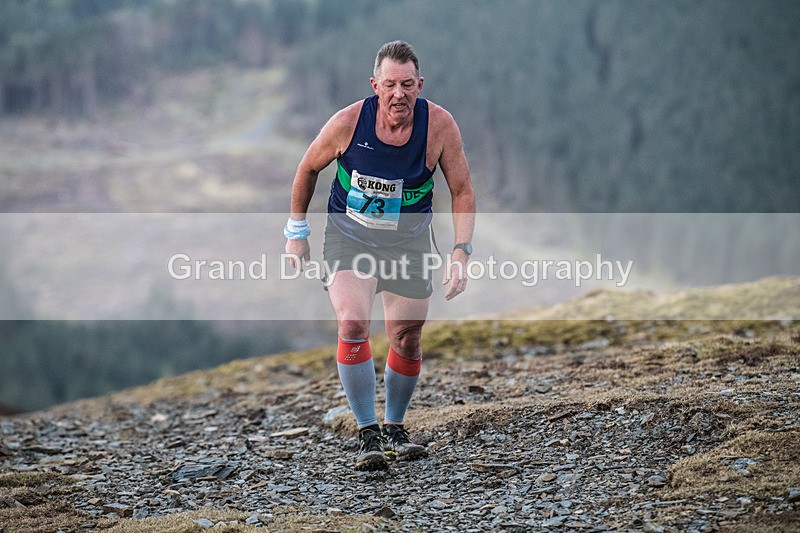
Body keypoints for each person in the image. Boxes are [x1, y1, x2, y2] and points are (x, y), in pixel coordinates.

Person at [284, 41, 475, 471]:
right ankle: (368, 433)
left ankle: (395, 426)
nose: (398, 94)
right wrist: (296, 231)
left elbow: (462, 190)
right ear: (375, 85)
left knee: (406, 337)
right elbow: (307, 168)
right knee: (353, 321)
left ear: (419, 85)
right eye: (389, 85)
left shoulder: (440, 125)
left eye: (407, 85)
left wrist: (461, 251)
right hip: (350, 238)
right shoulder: (349, 122)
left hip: (408, 244)